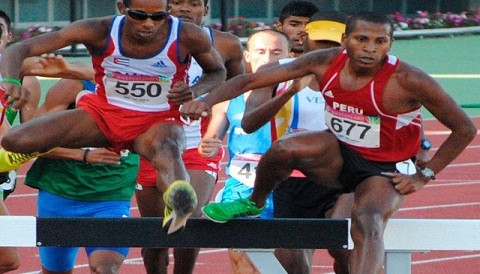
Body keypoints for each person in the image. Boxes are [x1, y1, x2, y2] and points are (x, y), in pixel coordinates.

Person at [182, 11, 477, 273]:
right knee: (285, 148)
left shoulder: (409, 79)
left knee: (367, 220)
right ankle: (254, 201)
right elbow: (249, 81)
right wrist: (206, 100)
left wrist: (425, 174)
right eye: (362, 39)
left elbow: (464, 128)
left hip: (384, 167)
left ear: (390, 44)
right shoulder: (324, 62)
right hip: (341, 153)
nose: (370, 49)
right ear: (346, 39)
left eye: (380, 42)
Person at [0, 0, 227, 235]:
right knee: (13, 140)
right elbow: (18, 49)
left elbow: (218, 71)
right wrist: (11, 81)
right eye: (139, 15)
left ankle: (179, 199)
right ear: (122, 8)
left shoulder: (188, 35)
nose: (149, 23)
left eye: (158, 16)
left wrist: (194, 91)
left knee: (166, 148)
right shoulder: (97, 30)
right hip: (103, 116)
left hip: (156, 121)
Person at [134, 0, 244, 273]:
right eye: (177, 3)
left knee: (188, 218)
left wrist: (216, 130)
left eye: (193, 3)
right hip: (152, 145)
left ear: (206, 9)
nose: (184, 9)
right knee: (156, 232)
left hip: (198, 145)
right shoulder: (143, 40)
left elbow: (237, 92)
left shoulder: (227, 45)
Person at [241, 11, 353, 274]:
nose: (325, 50)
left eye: (332, 44)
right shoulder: (277, 73)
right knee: (290, 264)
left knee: (343, 244)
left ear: (346, 42)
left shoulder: (359, 76)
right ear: (304, 39)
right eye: (320, 43)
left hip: (345, 175)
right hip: (293, 178)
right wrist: (290, 90)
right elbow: (249, 123)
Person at [23, 68, 140, 274]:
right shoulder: (73, 84)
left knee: (105, 268)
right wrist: (83, 155)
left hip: (111, 195)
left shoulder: (149, 88)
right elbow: (31, 139)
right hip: (60, 192)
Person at [198, 29, 292, 274]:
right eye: (261, 52)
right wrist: (207, 146)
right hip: (240, 188)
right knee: (243, 263)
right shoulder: (230, 96)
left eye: (276, 52)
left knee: (286, 263)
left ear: (290, 56)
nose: (268, 58)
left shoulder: (296, 95)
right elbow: (209, 141)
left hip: (285, 189)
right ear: (248, 56)